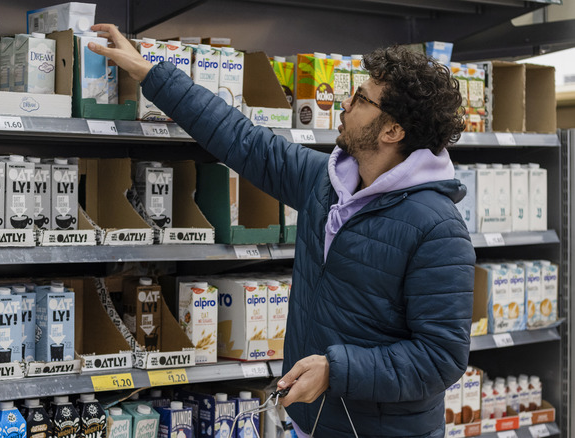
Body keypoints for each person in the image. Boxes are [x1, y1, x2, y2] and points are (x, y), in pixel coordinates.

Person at [89, 24, 476, 437]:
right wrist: (152, 74)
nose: (345, 103)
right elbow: (245, 141)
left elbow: (441, 357)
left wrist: (336, 369)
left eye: (361, 99)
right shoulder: (327, 184)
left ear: (392, 131)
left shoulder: (437, 228)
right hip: (313, 420)